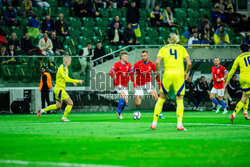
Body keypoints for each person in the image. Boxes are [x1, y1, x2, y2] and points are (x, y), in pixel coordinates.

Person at [150, 33, 192, 131]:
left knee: (161, 99)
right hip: (179, 76)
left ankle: (154, 123)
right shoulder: (182, 48)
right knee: (179, 99)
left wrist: (156, 73)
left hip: (167, 75)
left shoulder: (163, 49)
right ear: (176, 40)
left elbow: (157, 62)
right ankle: (179, 124)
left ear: (169, 40)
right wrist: (186, 73)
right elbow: (189, 63)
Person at [37, 56, 84, 121]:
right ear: (67, 61)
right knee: (70, 103)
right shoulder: (63, 68)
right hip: (60, 89)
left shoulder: (65, 68)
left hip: (58, 89)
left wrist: (73, 82)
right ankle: (64, 118)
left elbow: (65, 78)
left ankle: (42, 111)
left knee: (58, 106)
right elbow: (66, 79)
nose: (70, 62)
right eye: (70, 60)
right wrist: (77, 81)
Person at [133, 50, 163, 119]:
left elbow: (157, 76)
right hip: (139, 84)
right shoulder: (137, 64)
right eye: (142, 56)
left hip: (147, 83)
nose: (143, 57)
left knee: (156, 97)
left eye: (145, 56)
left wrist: (160, 87)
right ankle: (136, 112)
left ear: (148, 56)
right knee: (137, 103)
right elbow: (132, 74)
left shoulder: (152, 65)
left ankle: (159, 114)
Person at [224, 44, 250, 122]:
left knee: (245, 96)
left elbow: (232, 70)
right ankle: (243, 113)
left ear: (241, 50)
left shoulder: (239, 58)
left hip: (242, 78)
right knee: (245, 96)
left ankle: (238, 114)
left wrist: (227, 81)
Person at [109, 51, 134, 119]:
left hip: (124, 84)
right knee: (123, 96)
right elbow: (111, 71)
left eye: (127, 56)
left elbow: (131, 72)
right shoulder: (117, 64)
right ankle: (118, 112)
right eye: (125, 56)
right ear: (121, 57)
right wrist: (113, 75)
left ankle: (120, 112)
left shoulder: (128, 65)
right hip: (118, 83)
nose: (126, 57)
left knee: (126, 101)